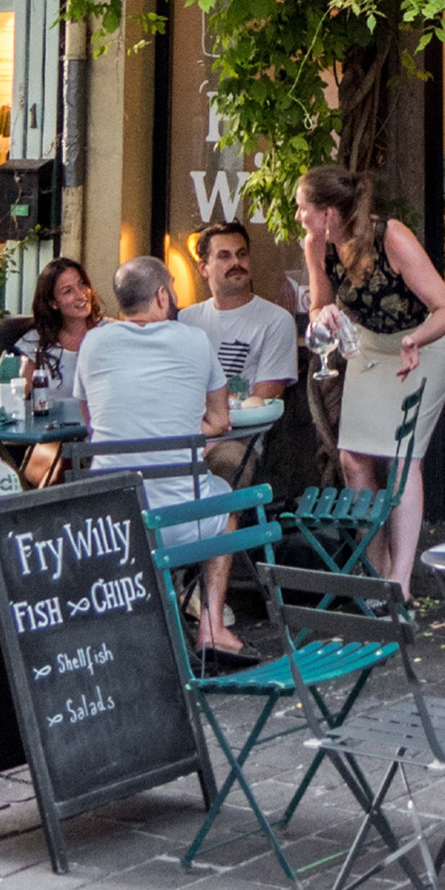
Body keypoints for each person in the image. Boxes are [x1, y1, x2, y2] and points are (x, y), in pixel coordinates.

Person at [73, 257, 253, 664]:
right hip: (179, 522)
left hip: (111, 524)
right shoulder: (194, 341)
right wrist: (182, 428)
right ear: (161, 295)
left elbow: (92, 424)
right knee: (226, 503)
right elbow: (220, 420)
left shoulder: (93, 343)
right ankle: (212, 627)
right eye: (171, 288)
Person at [299, 165, 445, 595]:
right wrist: (322, 316)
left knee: (402, 458)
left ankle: (399, 581)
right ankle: (375, 571)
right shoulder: (316, 245)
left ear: (329, 213)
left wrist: (415, 340)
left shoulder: (390, 237)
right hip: (371, 346)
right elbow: (316, 308)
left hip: (428, 342)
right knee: (353, 457)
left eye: (303, 208)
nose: (298, 217)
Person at [180, 223, 300, 486]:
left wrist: (212, 436)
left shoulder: (275, 320)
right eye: (224, 256)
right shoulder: (185, 320)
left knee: (226, 466)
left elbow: (261, 403)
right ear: (203, 268)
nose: (236, 262)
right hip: (184, 436)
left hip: (239, 440)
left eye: (241, 254)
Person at [11, 257, 103, 487]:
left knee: (68, 462)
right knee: (60, 463)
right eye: (68, 291)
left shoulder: (109, 334)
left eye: (82, 285)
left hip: (99, 432)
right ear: (53, 302)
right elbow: (17, 396)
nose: (81, 295)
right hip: (51, 436)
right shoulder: (36, 343)